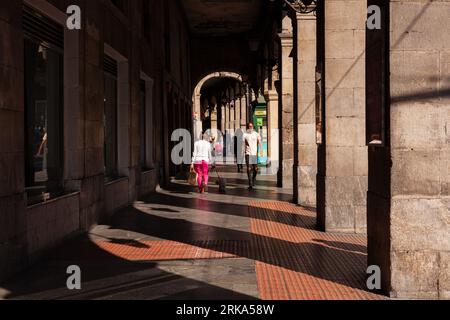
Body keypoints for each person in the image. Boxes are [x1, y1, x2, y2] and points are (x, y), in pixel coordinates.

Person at [243, 123, 263, 190]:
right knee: (249, 168)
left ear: (253, 127)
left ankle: (253, 179)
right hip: (248, 153)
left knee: (256, 169)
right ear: (247, 127)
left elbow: (259, 142)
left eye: (251, 126)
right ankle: (250, 184)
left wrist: (260, 150)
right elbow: (243, 143)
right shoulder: (245, 134)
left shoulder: (256, 134)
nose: (250, 127)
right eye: (249, 126)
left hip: (254, 153)